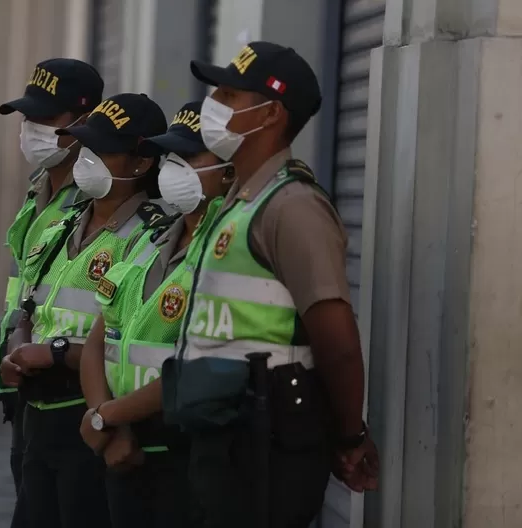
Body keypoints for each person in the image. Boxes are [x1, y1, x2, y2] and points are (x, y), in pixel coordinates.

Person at [161, 41, 381, 527]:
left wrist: (348, 436)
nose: (211, 107)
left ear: (271, 114)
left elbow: (337, 340)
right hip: (222, 433)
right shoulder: (236, 203)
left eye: (229, 96)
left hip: (265, 438)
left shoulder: (292, 207)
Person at [0, 92, 169, 528]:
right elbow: (29, 305)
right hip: (36, 419)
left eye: (103, 150)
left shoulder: (151, 237)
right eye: (85, 145)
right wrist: (18, 347)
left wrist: (56, 351)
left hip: (90, 420)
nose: (86, 158)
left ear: (141, 163)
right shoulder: (64, 223)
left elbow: (123, 342)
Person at [78, 100, 234, 528]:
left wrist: (108, 416)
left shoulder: (230, 246)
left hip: (183, 452)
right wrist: (105, 419)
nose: (173, 168)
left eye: (189, 157)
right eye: (171, 157)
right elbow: (99, 340)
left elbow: (203, 364)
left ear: (229, 171)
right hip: (123, 448)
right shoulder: (152, 237)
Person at [0, 58, 104, 526]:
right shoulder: (39, 188)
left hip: (76, 397)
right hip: (28, 394)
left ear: (83, 124)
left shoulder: (100, 201)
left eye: (45, 120)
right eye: (27, 118)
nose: (30, 129)